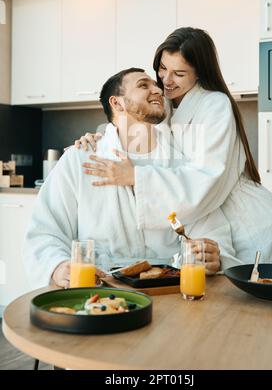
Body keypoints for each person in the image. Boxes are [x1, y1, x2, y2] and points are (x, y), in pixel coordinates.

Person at [75, 27, 272, 265]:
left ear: (199, 74)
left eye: (179, 74)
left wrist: (137, 177)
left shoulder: (215, 105)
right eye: (163, 68)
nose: (166, 81)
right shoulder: (166, 104)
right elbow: (138, 128)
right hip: (212, 221)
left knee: (259, 299)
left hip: (252, 226)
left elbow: (206, 178)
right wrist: (103, 137)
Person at [24, 67, 222, 289]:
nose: (157, 89)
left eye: (155, 85)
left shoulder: (181, 161)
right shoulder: (80, 158)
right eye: (143, 85)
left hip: (168, 288)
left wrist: (209, 253)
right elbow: (45, 229)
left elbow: (206, 223)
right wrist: (58, 266)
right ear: (117, 103)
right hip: (99, 286)